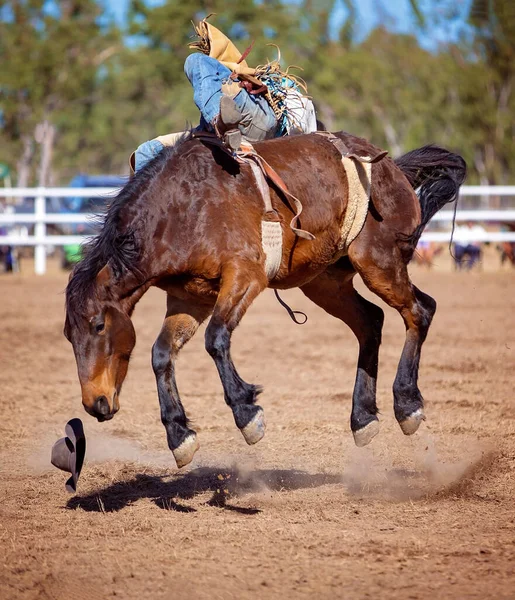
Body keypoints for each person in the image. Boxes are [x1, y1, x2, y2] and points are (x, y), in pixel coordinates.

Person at [134, 17, 317, 172]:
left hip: (255, 115)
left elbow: (299, 112)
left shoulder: (268, 84)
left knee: (195, 60)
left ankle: (220, 122)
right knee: (146, 152)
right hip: (221, 127)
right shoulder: (217, 87)